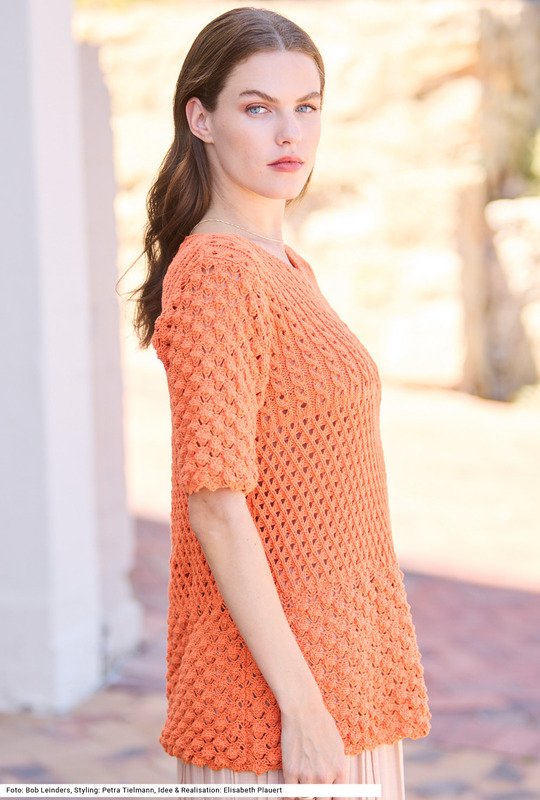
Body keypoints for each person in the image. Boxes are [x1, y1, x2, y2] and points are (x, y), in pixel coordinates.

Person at [130, 6, 431, 799]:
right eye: (258, 108)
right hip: (275, 707)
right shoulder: (220, 274)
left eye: (306, 106)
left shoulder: (284, 268)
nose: (289, 133)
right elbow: (216, 502)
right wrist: (302, 707)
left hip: (339, 675)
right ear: (201, 118)